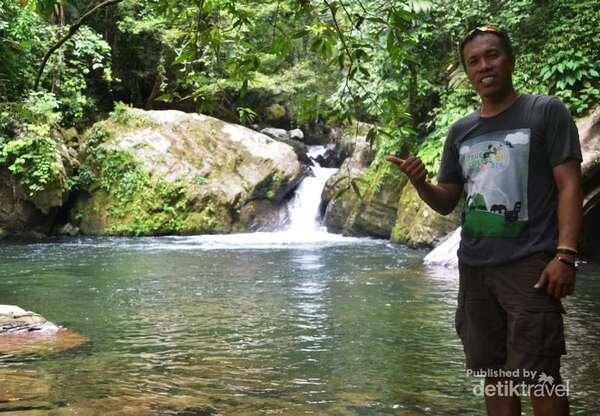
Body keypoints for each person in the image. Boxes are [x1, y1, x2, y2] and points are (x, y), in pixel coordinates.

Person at [387, 25, 582, 416]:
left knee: (540, 373)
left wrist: (564, 255)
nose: (483, 66)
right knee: (493, 373)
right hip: (475, 267)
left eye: (491, 56)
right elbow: (447, 203)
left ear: (509, 59)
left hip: (530, 265)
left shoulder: (545, 112)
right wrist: (421, 183)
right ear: (467, 72)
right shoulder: (461, 131)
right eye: (473, 61)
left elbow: (569, 186)